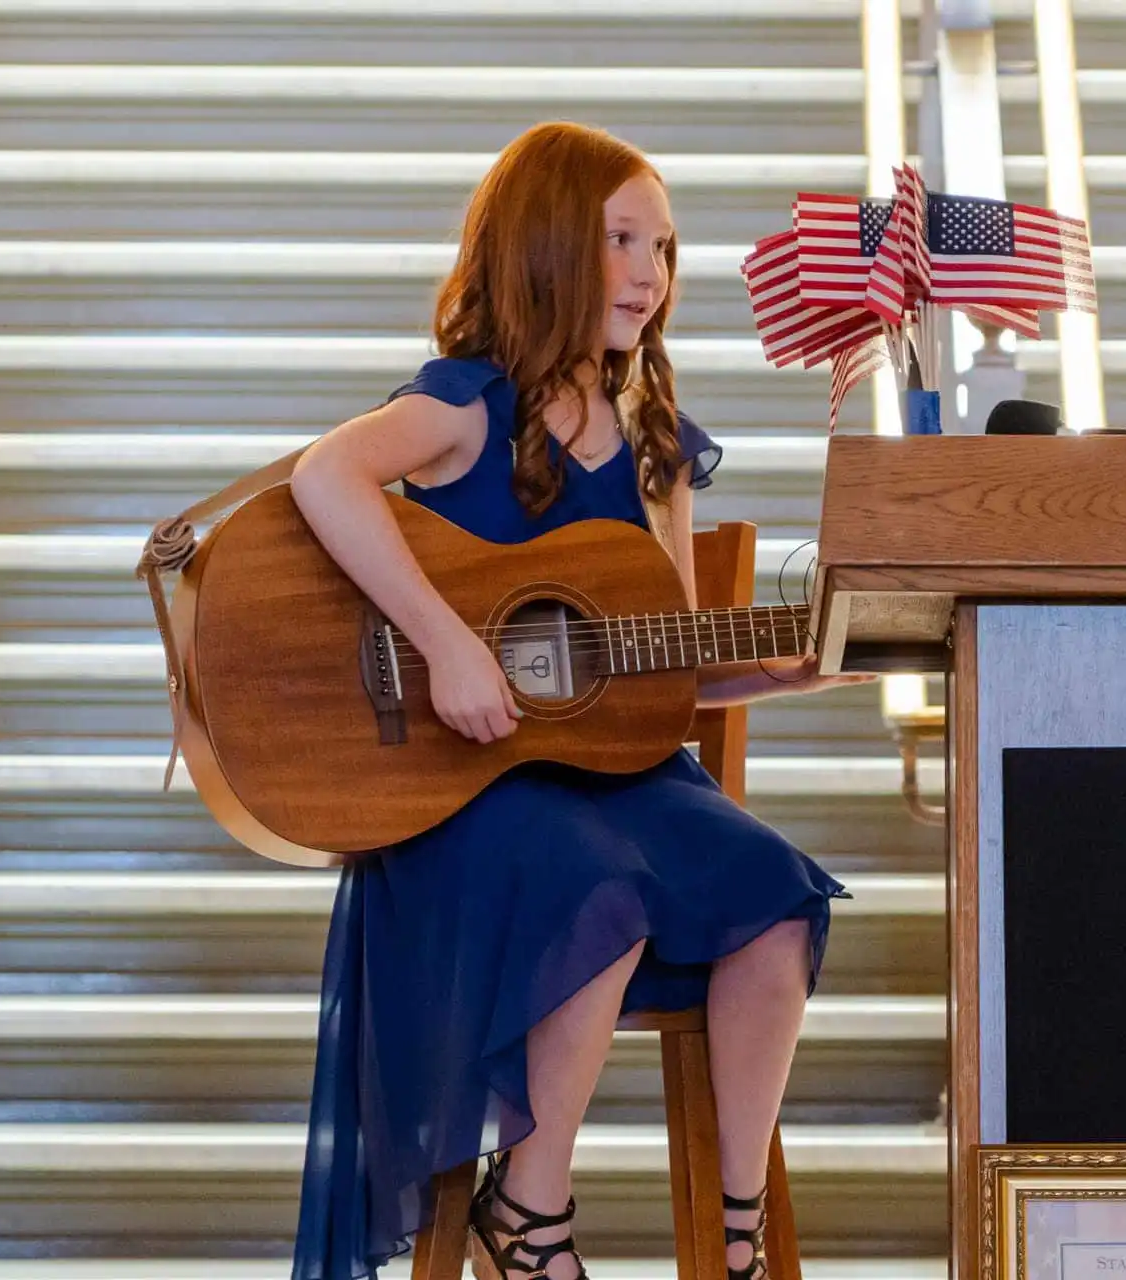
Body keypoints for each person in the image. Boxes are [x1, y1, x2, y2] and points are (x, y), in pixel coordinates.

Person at [285, 121, 867, 1280]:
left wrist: (782, 666)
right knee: (595, 886)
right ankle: (530, 1212)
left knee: (781, 897)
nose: (651, 273)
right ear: (546, 243)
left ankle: (738, 1226)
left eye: (664, 245)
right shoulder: (466, 405)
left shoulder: (654, 446)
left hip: (626, 780)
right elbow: (322, 475)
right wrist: (451, 643)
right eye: (620, 239)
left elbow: (664, 660)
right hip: (475, 803)